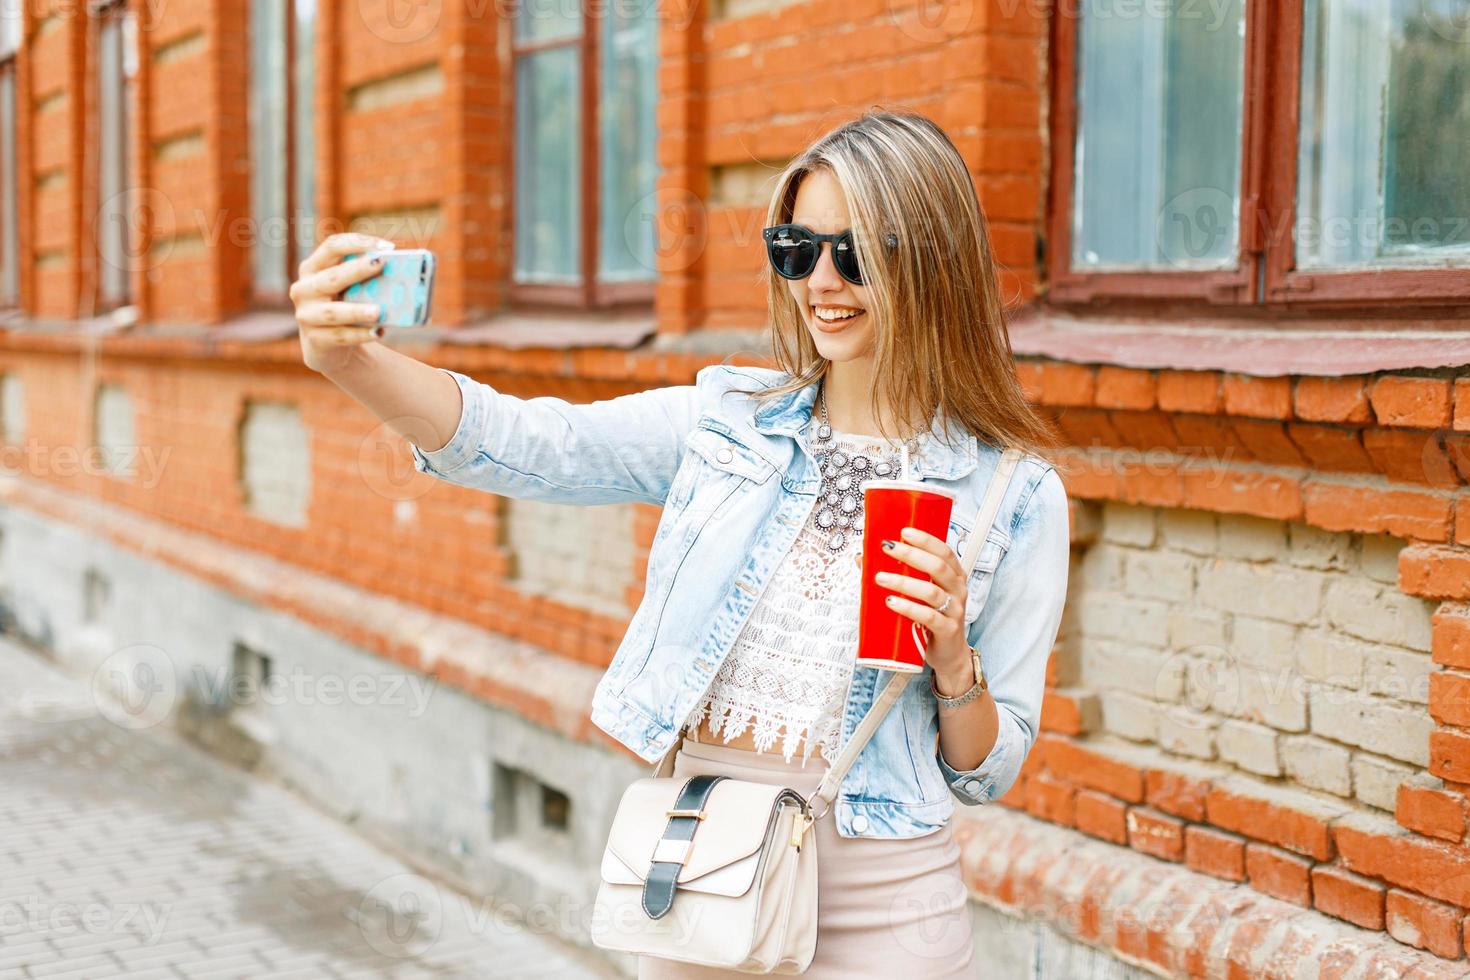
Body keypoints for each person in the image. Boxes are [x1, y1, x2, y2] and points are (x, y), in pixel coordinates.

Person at [288, 108, 1071, 978]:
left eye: (855, 252)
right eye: (796, 249)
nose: (821, 281)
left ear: (930, 260)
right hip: (704, 864)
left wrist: (955, 660)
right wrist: (350, 363)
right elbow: (532, 443)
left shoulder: (1015, 495)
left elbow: (987, 769)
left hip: (891, 900)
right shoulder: (726, 423)